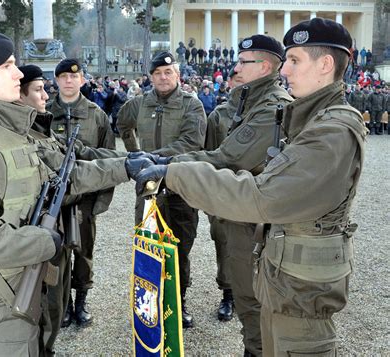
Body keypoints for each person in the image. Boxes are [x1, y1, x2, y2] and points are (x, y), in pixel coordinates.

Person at [134, 18, 367, 355]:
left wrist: (173, 173)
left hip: (302, 289)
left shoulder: (331, 131)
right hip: (288, 277)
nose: (284, 71)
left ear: (325, 64)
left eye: (294, 61)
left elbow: (261, 195)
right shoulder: (311, 118)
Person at [0, 32, 152, 356]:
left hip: (29, 280)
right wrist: (45, 241)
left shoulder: (12, 130)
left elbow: (61, 181)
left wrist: (125, 167)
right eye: (8, 66)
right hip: (2, 300)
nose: (19, 74)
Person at [154, 35, 293, 356]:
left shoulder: (273, 106)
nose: (236, 67)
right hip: (239, 212)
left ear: (266, 66)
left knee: (256, 304)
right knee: (248, 301)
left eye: (244, 62)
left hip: (256, 220)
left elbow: (228, 157)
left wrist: (165, 165)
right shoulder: (247, 100)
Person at [117, 51, 207, 328]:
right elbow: (123, 123)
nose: (163, 77)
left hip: (180, 186)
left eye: (168, 73)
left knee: (179, 248)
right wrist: (135, 154)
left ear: (177, 75)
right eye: (158, 73)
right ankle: (149, 305)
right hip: (149, 189)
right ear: (151, 77)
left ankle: (178, 304)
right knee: (148, 246)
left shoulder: (192, 105)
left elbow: (192, 142)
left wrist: (152, 158)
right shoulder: (139, 103)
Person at [47, 58, 116, 329]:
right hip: (54, 198)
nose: (68, 81)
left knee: (84, 251)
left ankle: (82, 300)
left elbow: (108, 158)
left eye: (73, 77)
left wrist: (101, 199)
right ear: (56, 80)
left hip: (84, 197)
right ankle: (62, 304)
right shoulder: (44, 111)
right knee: (57, 252)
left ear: (82, 80)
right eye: (62, 76)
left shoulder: (96, 114)